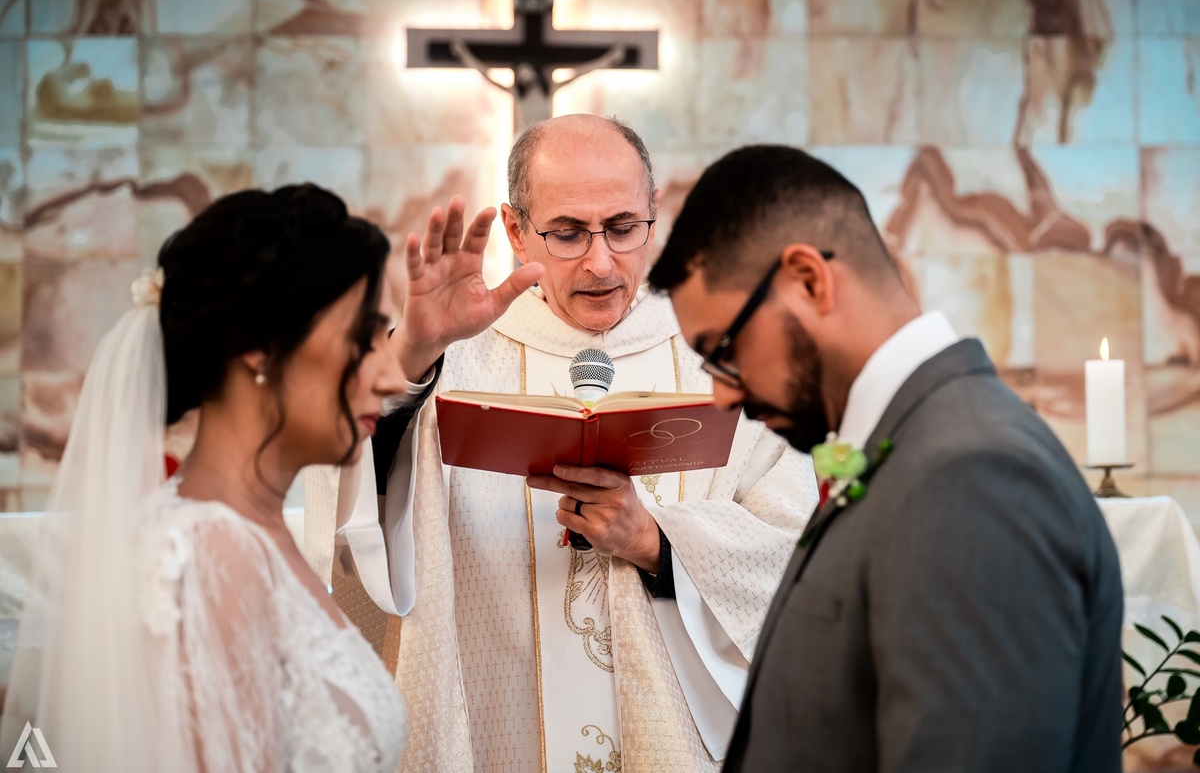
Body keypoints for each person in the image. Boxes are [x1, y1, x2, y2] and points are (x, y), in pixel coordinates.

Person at [308, 114, 819, 771]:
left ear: (654, 214)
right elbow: (354, 508)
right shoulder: (452, 355)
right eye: (569, 232)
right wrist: (413, 350)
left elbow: (793, 552)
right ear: (517, 230)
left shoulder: (725, 358)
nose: (600, 260)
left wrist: (658, 543)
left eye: (622, 227)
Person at [0, 185, 519, 772]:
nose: (384, 373)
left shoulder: (252, 538)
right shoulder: (208, 554)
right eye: (362, 337)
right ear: (260, 350)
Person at [646, 144, 1125, 772]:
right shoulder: (911, 447)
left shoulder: (970, 477)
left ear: (810, 281)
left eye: (725, 350)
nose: (723, 393)